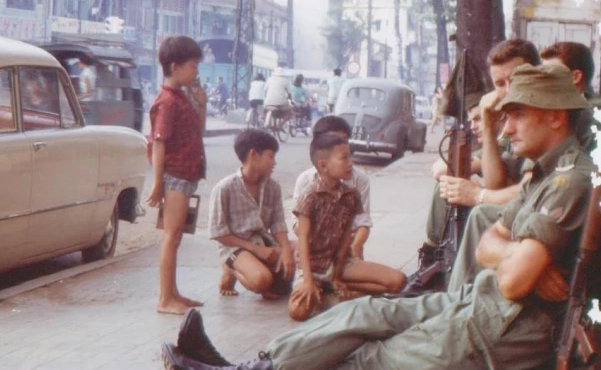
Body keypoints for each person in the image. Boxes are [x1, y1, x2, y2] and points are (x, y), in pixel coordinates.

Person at [162, 62, 594, 370]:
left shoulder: (568, 181)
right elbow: (487, 245)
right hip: (478, 305)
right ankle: (251, 366)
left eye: (518, 114)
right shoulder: (545, 173)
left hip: (498, 330)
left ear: (555, 117)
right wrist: (517, 256)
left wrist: (515, 261)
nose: (505, 129)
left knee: (362, 358)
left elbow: (514, 279)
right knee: (365, 313)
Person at [398, 39, 542, 297]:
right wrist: (486, 124)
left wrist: (477, 195)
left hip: (538, 225)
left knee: (478, 212)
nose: (508, 91)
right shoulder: (517, 120)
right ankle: (437, 264)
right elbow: (499, 182)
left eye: (516, 79)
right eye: (500, 84)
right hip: (527, 221)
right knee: (452, 188)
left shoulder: (540, 119)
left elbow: (531, 191)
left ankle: (452, 294)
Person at [289, 134, 405, 321]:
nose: (351, 162)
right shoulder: (309, 196)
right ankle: (335, 295)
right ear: (323, 166)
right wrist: (309, 282)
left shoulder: (351, 195)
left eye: (350, 156)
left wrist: (336, 275)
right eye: (344, 158)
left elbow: (345, 238)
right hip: (312, 266)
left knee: (397, 281)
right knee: (298, 312)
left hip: (341, 264)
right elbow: (302, 239)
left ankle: (338, 291)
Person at [146, 35, 207, 315]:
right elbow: (159, 143)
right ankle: (164, 298)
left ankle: (173, 293)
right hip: (174, 177)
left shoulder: (182, 97)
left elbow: (197, 131)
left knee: (177, 236)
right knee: (171, 236)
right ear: (175, 66)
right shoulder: (168, 102)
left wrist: (202, 104)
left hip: (185, 173)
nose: (196, 72)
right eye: (192, 66)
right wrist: (158, 184)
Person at [208, 129, 295, 299]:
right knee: (261, 280)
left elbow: (278, 224)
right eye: (271, 156)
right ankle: (231, 269)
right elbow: (219, 234)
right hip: (236, 247)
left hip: (264, 242)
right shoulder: (224, 188)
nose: (274, 162)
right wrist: (257, 251)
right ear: (254, 155)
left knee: (301, 254)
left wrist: (285, 250)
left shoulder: (273, 187)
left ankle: (268, 277)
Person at [292, 116, 371, 260]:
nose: (340, 145)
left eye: (344, 140)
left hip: (349, 248)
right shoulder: (306, 182)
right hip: (316, 252)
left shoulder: (359, 180)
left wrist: (354, 247)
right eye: (334, 140)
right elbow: (298, 227)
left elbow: (363, 222)